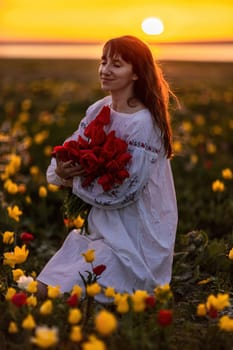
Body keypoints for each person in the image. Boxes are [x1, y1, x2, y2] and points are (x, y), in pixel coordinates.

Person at [37, 35, 178, 301]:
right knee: (42, 289)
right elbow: (69, 148)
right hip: (101, 227)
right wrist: (61, 170)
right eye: (103, 62)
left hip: (135, 234)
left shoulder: (145, 123)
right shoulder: (98, 109)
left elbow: (126, 191)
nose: (105, 70)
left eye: (116, 64)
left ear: (136, 73)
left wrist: (72, 181)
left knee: (64, 296)